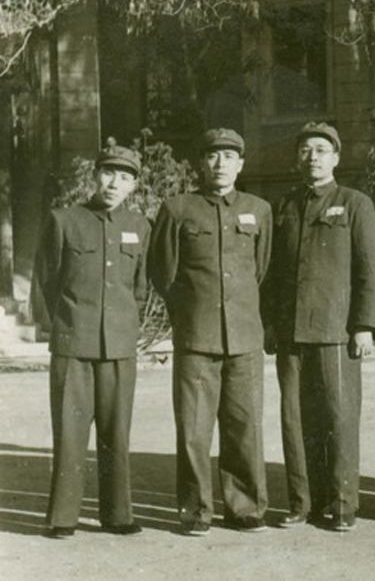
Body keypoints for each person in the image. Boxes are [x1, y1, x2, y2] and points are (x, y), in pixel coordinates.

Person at [149, 128, 272, 536]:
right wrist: (189, 312)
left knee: (244, 427)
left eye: (229, 156)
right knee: (194, 430)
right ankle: (195, 511)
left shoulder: (258, 209)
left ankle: (245, 508)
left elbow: (261, 270)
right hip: (196, 337)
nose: (220, 164)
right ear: (202, 163)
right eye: (213, 156)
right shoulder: (177, 209)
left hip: (244, 337)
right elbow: (162, 272)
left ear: (241, 163)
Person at [265, 122, 375, 532]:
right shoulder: (284, 205)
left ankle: (342, 504)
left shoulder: (355, 203)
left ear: (336, 157)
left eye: (321, 150)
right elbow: (271, 273)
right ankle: (302, 502)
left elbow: (372, 269)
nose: (312, 157)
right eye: (305, 150)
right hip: (291, 331)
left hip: (337, 330)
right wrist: (270, 323)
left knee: (338, 418)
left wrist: (365, 325)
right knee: (295, 419)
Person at [35, 145, 150, 539]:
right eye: (108, 173)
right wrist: (65, 325)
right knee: (70, 432)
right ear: (95, 175)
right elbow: (47, 281)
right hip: (74, 342)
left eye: (125, 177)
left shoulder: (140, 225)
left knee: (117, 431)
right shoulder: (64, 220)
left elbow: (139, 288)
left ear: (133, 185)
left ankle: (117, 515)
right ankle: (62, 516)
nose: (114, 183)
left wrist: (124, 326)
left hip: (119, 344)